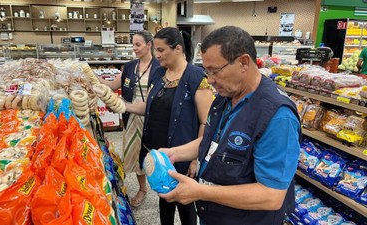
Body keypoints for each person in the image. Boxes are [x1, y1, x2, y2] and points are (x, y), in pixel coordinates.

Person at [159, 26, 301, 225]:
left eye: (215, 71)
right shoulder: (226, 96)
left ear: (243, 62)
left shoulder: (278, 116)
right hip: (216, 215)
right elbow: (211, 141)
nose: (210, 80)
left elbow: (272, 195)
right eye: (206, 71)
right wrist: (174, 153)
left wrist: (201, 191)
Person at [125, 27, 214, 225]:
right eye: (156, 50)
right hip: (158, 152)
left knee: (185, 202)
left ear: (178, 49)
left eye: (161, 50)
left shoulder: (196, 78)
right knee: (164, 197)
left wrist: (195, 159)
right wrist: (124, 106)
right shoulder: (158, 74)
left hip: (182, 154)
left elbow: (205, 122)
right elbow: (148, 107)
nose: (157, 55)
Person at [98, 30, 160, 207]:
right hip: (131, 117)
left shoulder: (159, 67)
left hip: (152, 120)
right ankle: (142, 188)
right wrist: (93, 78)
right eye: (133, 44)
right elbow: (112, 85)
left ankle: (162, 188)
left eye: (138, 44)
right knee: (135, 155)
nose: (134, 48)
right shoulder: (130, 66)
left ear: (149, 45)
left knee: (154, 155)